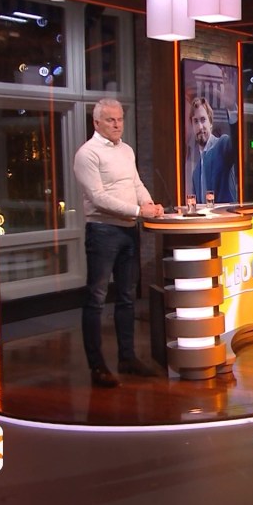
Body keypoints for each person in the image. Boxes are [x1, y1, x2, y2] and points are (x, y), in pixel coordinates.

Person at [73, 98, 164, 388]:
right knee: (97, 298)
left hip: (128, 231)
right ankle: (97, 366)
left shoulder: (126, 150)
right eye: (111, 120)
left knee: (126, 296)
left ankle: (127, 358)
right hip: (102, 232)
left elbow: (135, 183)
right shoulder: (87, 154)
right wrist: (139, 211)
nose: (117, 124)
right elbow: (98, 198)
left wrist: (149, 203)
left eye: (120, 119)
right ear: (96, 122)